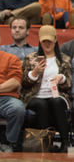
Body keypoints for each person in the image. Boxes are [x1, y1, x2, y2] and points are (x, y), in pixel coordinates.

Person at [21, 25, 71, 153]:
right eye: (44, 41)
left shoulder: (64, 59)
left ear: (55, 40)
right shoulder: (30, 58)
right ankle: (45, 144)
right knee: (41, 104)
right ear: (39, 40)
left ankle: (65, 143)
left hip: (57, 95)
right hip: (35, 96)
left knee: (56, 102)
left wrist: (62, 78)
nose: (47, 43)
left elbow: (69, 85)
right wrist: (34, 73)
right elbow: (24, 84)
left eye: (50, 40)